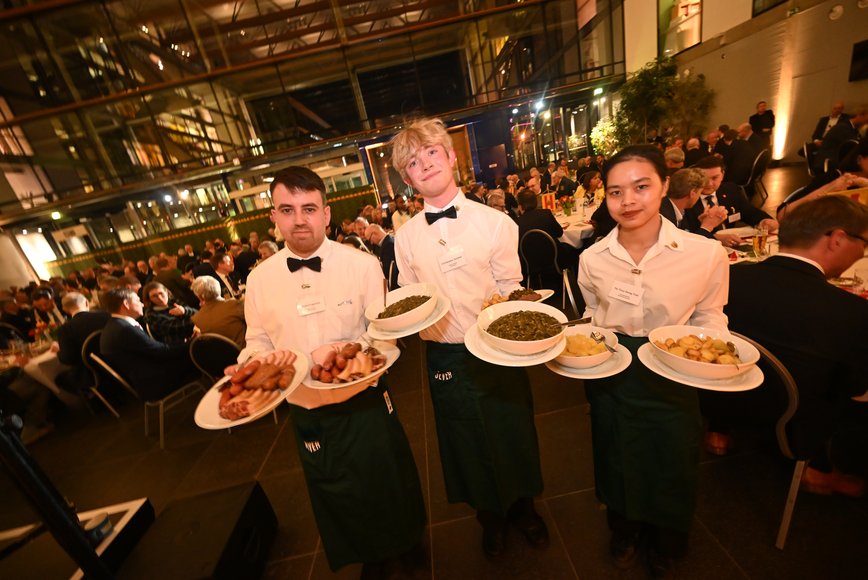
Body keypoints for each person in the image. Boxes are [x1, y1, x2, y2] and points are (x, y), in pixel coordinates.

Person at [240, 167, 425, 575]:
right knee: (335, 491)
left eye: (309, 208)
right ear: (273, 216)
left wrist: (345, 351)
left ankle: (408, 543)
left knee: (389, 478)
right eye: (287, 210)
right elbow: (257, 341)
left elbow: (384, 337)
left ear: (326, 214)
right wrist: (251, 365)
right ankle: (369, 556)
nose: (299, 219)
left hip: (366, 399)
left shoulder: (361, 266)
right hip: (307, 408)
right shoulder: (259, 281)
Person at [390, 118, 548, 558]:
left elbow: (512, 285)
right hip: (444, 354)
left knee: (512, 428)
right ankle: (489, 519)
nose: (425, 166)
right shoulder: (404, 238)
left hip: (497, 347)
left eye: (432, 154)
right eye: (414, 163)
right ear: (407, 179)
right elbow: (410, 296)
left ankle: (525, 509)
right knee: (464, 440)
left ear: (451, 156)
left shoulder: (495, 223)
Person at [577, 145, 729, 577]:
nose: (628, 201)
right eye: (615, 191)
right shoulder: (593, 259)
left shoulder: (705, 254)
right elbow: (593, 315)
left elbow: (710, 315)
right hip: (614, 371)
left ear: (665, 185)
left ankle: (667, 539)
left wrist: (709, 357)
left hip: (673, 369)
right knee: (615, 453)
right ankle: (623, 527)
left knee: (671, 456)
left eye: (641, 187)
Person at [720, 197, 868, 495]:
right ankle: (823, 469)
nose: (863, 252)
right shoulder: (851, 313)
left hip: (722, 400)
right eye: (863, 243)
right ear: (837, 239)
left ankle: (719, 430)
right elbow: (855, 390)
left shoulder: (728, 277)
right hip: (795, 419)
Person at [99, 288, 200, 401]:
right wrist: (192, 343)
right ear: (126, 304)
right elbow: (161, 352)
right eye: (138, 300)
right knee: (199, 351)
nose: (142, 304)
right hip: (155, 382)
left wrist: (185, 342)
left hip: (145, 377)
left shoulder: (115, 325)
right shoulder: (125, 329)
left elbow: (154, 348)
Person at [690, 156, 778, 247]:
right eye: (704, 178)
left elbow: (750, 212)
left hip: (732, 247)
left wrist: (765, 220)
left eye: (714, 178)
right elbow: (684, 234)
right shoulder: (688, 198)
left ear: (722, 175)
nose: (709, 183)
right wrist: (714, 238)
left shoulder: (731, 190)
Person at [54, 292, 110, 394]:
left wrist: (59, 352)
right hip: (118, 361)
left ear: (65, 310)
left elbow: (69, 359)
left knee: (59, 378)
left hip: (93, 373)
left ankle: (95, 401)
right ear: (86, 302)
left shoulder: (65, 330)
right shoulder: (105, 315)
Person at [659, 168, 725, 238]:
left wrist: (701, 223)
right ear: (692, 193)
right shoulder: (665, 216)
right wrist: (707, 227)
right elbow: (684, 246)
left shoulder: (674, 208)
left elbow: (686, 236)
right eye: (700, 192)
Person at [189, 276, 246, 347]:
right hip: (249, 352)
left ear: (200, 297)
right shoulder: (235, 305)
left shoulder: (197, 319)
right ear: (218, 288)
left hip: (224, 356)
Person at [141, 281, 197, 346]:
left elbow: (196, 312)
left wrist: (185, 310)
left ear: (166, 292)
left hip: (192, 336)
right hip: (177, 346)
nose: (160, 298)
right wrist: (197, 320)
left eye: (161, 293)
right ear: (149, 299)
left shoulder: (172, 302)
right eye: (154, 296)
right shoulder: (150, 315)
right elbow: (178, 327)